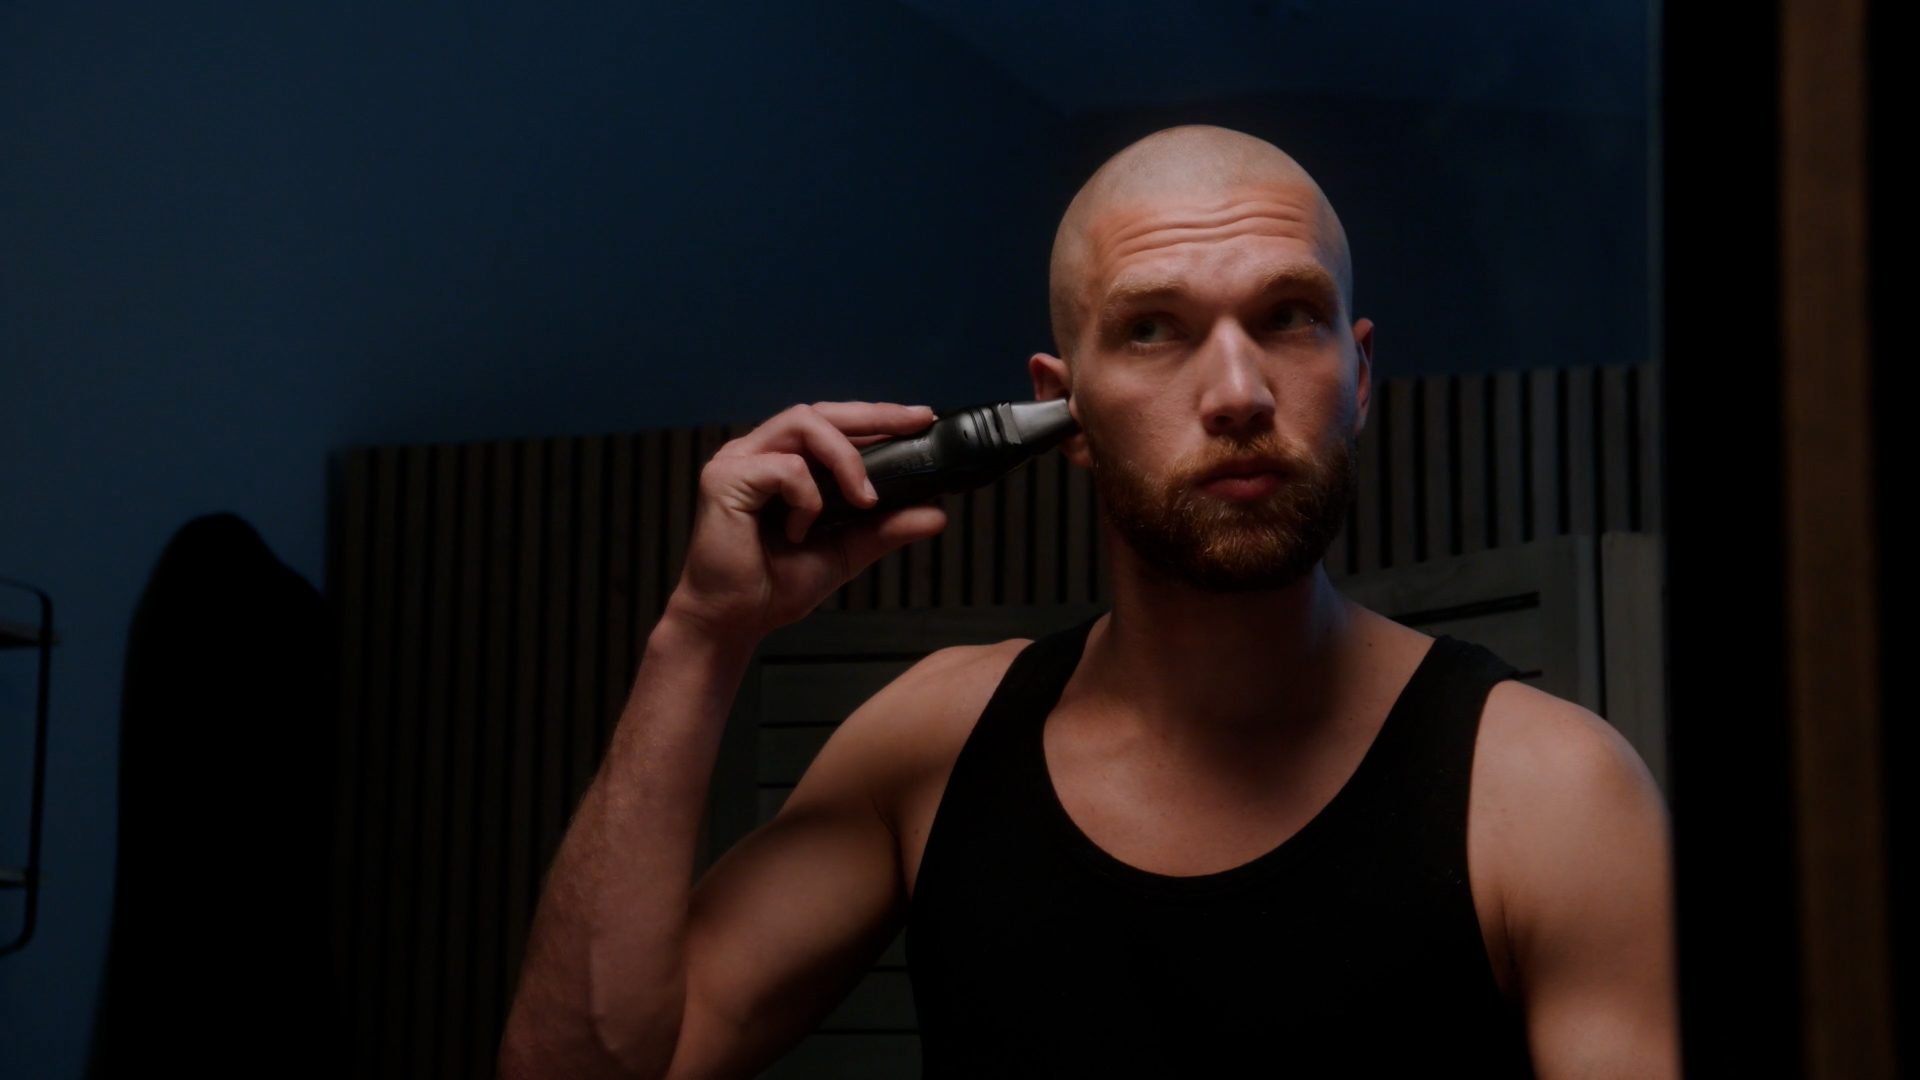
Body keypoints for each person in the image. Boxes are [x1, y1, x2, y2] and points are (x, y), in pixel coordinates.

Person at [499, 125, 1677, 1079]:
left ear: (1359, 377)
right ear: (1064, 410)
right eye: (1154, 331)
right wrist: (700, 639)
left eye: (1289, 317)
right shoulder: (932, 746)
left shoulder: (1552, 795)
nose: (1235, 391)